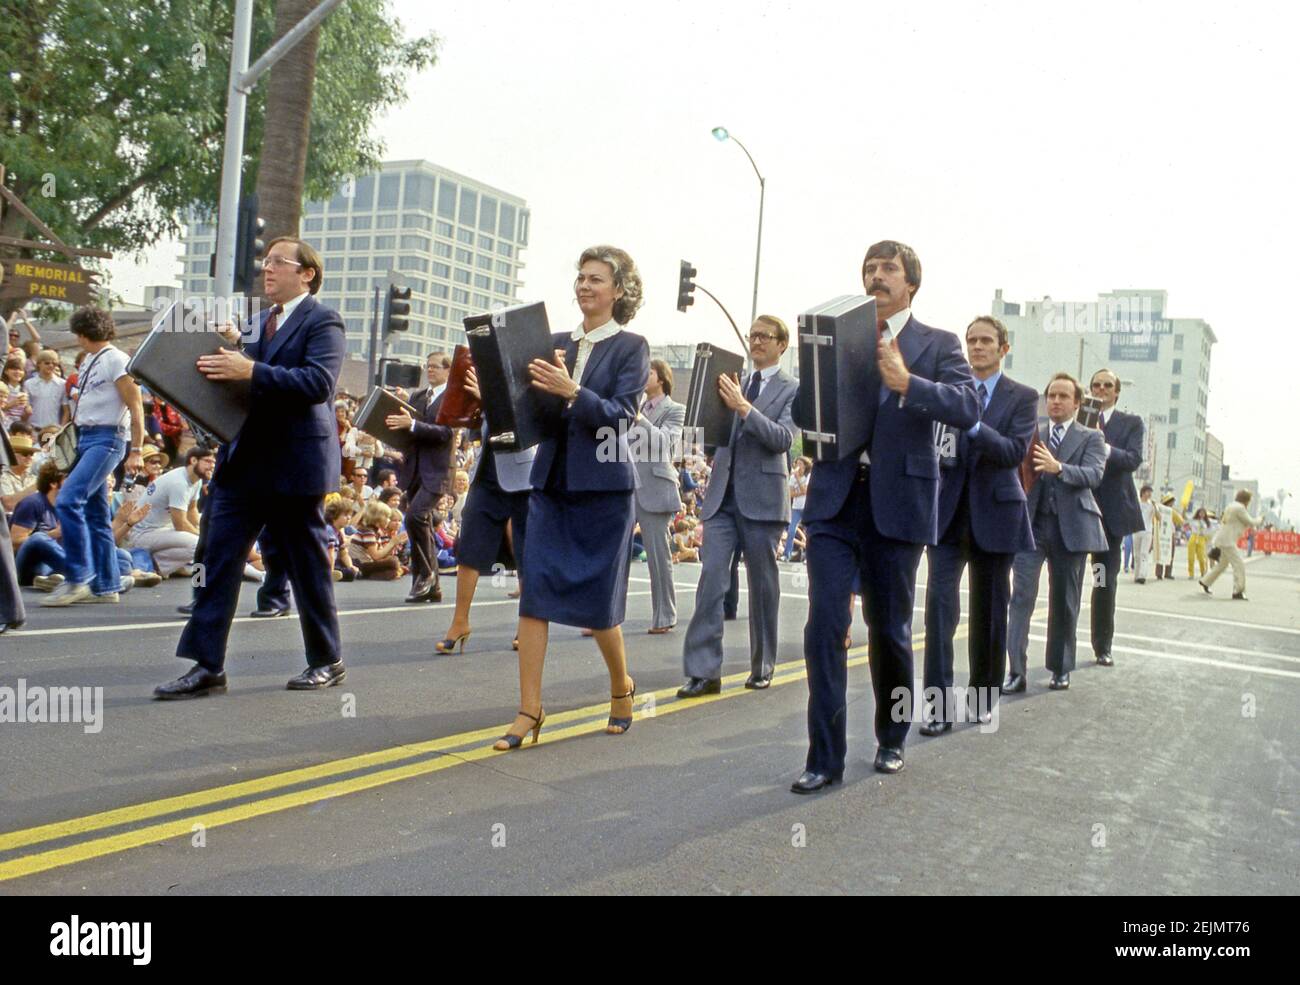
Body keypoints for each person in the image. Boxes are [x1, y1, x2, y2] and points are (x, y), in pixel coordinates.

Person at [794, 240, 979, 794]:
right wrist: (815, 380)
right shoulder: (839, 336)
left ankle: (892, 736)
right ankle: (824, 757)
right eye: (870, 268)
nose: (877, 277)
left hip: (898, 506)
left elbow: (968, 407)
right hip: (834, 502)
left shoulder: (938, 344)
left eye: (888, 269)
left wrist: (908, 384)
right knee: (823, 625)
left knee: (890, 632)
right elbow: (807, 414)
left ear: (911, 284)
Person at [154, 236, 347, 698]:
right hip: (245, 459)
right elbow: (239, 376)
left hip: (296, 463)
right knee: (219, 559)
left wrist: (250, 370)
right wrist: (231, 350)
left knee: (306, 566)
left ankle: (327, 660)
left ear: (307, 274)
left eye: (279, 262)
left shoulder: (324, 320)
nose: (268, 269)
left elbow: (318, 383)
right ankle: (206, 665)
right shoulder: (258, 321)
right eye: (265, 262)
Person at [494, 245, 649, 750]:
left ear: (619, 291)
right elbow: (532, 414)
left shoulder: (632, 346)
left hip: (603, 491)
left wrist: (570, 390)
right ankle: (528, 710)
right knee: (534, 595)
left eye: (596, 279)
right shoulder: (554, 341)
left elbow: (622, 417)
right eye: (580, 278)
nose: (584, 286)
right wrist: (497, 395)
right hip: (550, 485)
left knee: (599, 607)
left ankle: (621, 688)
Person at [920, 316, 1035, 734]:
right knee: (938, 610)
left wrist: (971, 424)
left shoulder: (1023, 397)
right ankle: (936, 707)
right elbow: (936, 445)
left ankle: (983, 697)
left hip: (997, 516)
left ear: (1004, 348)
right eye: (971, 340)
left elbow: (1011, 452)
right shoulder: (950, 392)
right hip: (948, 515)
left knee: (989, 612)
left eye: (986, 341)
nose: (977, 347)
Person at [679, 315, 797, 697]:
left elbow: (782, 439)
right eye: (753, 335)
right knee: (711, 580)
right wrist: (706, 428)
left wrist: (745, 408)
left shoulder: (792, 389)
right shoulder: (734, 381)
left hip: (762, 500)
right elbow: (718, 441)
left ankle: (762, 664)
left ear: (782, 344)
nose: (757, 341)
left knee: (762, 586)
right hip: (721, 497)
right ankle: (703, 670)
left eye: (765, 336)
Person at [1005, 374, 1108, 692]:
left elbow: (1094, 475)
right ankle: (1016, 670)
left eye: (1064, 396)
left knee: (1064, 600)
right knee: (1021, 597)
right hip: (1032, 526)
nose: (1056, 401)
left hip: (1071, 529)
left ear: (1077, 403)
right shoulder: (1033, 433)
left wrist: (1059, 468)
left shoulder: (1091, 437)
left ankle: (1060, 668)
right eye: (1051, 395)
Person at [41, 308, 144, 606]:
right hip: (87, 437)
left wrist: (136, 449)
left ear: (83, 334)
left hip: (107, 437)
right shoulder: (90, 361)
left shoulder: (116, 360)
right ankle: (107, 584)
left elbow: (136, 406)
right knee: (97, 515)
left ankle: (78, 578)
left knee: (68, 499)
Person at [434, 365, 535, 655]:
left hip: (525, 474)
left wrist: (490, 401)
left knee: (527, 550)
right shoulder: (488, 373)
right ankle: (459, 622)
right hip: (487, 471)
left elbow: (526, 422)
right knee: (470, 546)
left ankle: (526, 627)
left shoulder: (532, 372)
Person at [1086, 369, 1144, 668]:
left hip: (1110, 519)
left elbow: (1133, 459)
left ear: (1117, 392)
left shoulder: (1130, 423)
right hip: (1079, 510)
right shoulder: (1081, 416)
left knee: (1103, 581)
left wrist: (1103, 448)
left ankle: (1102, 645)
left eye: (1108, 385)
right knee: (1064, 581)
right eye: (1096, 385)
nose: (1101, 389)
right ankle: (1063, 647)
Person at [386, 350, 453, 603]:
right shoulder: (417, 396)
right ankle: (428, 585)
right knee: (418, 524)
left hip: (437, 471)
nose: (430, 370)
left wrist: (412, 424)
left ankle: (426, 575)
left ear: (448, 370)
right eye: (428, 366)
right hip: (414, 469)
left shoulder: (451, 397)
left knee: (416, 517)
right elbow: (407, 427)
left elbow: (445, 433)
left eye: (436, 366)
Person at [631, 358, 685, 634]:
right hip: (627, 486)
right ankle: (604, 619)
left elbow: (665, 443)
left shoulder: (675, 410)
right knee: (612, 555)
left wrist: (638, 419)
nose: (643, 376)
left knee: (658, 556)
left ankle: (665, 615)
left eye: (648, 372)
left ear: (661, 379)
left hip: (655, 488)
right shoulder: (633, 406)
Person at [126, 445, 214, 577]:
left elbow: (192, 510)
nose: (212, 466)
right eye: (207, 461)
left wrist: (203, 531)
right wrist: (204, 537)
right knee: (198, 544)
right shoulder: (179, 482)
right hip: (142, 534)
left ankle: (164, 563)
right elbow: (181, 525)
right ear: (194, 460)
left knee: (208, 525)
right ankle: (156, 565)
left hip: (161, 529)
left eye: (213, 462)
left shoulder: (196, 479)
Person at [1199, 490, 1263, 599]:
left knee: (1222, 564)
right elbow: (1250, 521)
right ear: (1246, 500)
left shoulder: (1231, 506)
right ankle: (1238, 590)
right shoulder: (1240, 508)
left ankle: (1206, 581)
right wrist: (1260, 519)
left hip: (1223, 538)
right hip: (1228, 541)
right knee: (1239, 565)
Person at [23, 350, 69, 429]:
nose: (51, 365)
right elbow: (25, 409)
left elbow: (66, 411)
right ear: (39, 364)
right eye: (47, 363)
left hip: (53, 431)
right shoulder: (29, 384)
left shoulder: (62, 384)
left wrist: (61, 430)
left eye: (54, 363)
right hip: (33, 429)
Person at [784, 457, 811, 561]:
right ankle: (787, 554)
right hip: (795, 507)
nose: (797, 466)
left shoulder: (808, 475)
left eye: (800, 464)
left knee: (808, 532)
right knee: (791, 530)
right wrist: (800, 491)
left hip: (806, 506)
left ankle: (808, 557)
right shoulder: (792, 478)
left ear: (804, 465)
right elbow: (790, 494)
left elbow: (805, 490)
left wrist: (798, 480)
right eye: (797, 464)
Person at [1133, 485, 1155, 583]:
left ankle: (1142, 576)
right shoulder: (1136, 504)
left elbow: (1159, 517)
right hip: (1137, 531)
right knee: (1137, 554)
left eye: (1150, 492)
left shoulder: (1152, 505)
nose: (1149, 494)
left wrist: (1155, 507)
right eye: (1147, 491)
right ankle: (1137, 575)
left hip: (1147, 531)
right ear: (1143, 492)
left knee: (1144, 554)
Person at [1187, 507, 1210, 579]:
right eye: (1200, 513)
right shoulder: (1193, 520)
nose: (1202, 514)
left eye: (1203, 513)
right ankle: (1191, 574)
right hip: (1193, 537)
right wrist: (1184, 509)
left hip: (1201, 538)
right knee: (1191, 557)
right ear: (1198, 513)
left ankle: (1203, 572)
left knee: (1201, 557)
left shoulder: (1207, 522)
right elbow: (1185, 518)